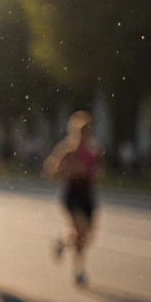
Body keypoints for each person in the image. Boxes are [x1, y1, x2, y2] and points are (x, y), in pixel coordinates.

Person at [44, 111, 103, 286]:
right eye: (82, 131)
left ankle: (63, 243)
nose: (86, 134)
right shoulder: (68, 149)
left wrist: (96, 174)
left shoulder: (94, 150)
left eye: (88, 130)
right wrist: (70, 171)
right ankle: (79, 269)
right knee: (81, 228)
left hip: (87, 194)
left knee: (85, 235)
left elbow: (98, 172)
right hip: (72, 194)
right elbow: (51, 169)